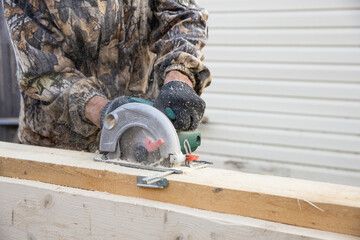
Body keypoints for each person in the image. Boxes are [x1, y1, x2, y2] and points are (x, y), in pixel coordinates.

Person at [3, 0, 211, 152]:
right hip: (60, 148)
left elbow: (183, 15)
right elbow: (43, 73)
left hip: (145, 140)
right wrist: (109, 114)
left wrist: (179, 76)